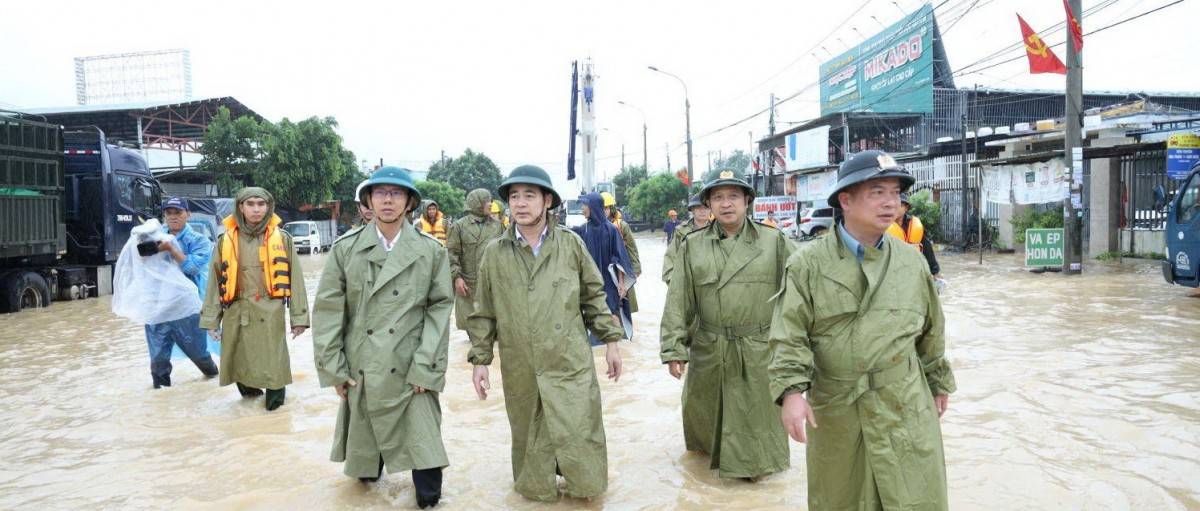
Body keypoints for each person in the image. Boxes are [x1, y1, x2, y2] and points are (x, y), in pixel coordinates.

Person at [769, 150, 956, 510]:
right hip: (839, 406)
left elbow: (931, 330)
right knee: (843, 498)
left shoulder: (911, 261)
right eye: (877, 192)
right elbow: (789, 334)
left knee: (915, 497)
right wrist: (792, 392)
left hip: (905, 402)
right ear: (846, 199)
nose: (891, 203)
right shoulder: (807, 264)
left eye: (896, 193)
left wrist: (938, 382)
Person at [467, 165, 624, 502]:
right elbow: (483, 312)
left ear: (547, 200)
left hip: (569, 361)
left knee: (579, 430)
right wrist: (480, 362)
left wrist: (611, 341)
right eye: (514, 196)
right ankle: (538, 491)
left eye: (529, 195)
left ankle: (585, 490)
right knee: (529, 436)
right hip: (521, 363)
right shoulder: (495, 254)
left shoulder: (570, 245)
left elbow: (594, 297)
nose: (520, 203)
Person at [312, 167, 451, 508]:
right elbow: (329, 312)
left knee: (428, 478)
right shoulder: (346, 249)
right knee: (366, 481)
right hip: (363, 365)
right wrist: (334, 368)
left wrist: (426, 365)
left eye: (396, 193)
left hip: (411, 364)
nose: (388, 200)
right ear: (368, 201)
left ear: (409, 203)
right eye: (380, 193)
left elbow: (439, 310)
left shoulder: (431, 251)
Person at [659, 167, 794, 480]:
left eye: (733, 196)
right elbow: (679, 299)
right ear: (709, 205)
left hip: (758, 349)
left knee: (757, 436)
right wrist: (673, 348)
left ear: (747, 201)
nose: (726, 203)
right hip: (710, 348)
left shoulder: (773, 241)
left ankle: (754, 481)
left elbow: (802, 290)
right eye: (717, 197)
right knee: (706, 433)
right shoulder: (692, 245)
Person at [200, 187, 309, 411]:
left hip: (270, 313)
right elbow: (214, 282)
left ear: (269, 207)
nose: (257, 209)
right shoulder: (225, 241)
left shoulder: (282, 239)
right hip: (236, 312)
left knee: (274, 366)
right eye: (251, 204)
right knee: (239, 363)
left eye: (261, 204)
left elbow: (296, 279)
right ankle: (250, 411)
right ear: (241, 207)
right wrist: (212, 320)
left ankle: (275, 412)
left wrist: (299, 318)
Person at [144, 197, 219, 388]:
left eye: (178, 212)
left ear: (188, 214)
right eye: (169, 213)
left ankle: (214, 381)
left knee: (199, 354)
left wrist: (170, 248)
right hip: (159, 307)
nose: (173, 217)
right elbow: (142, 261)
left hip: (189, 309)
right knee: (158, 358)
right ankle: (161, 400)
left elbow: (192, 268)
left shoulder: (200, 241)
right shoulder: (154, 236)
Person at [573, 192, 635, 345]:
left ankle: (614, 345)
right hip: (589, 282)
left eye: (585, 205)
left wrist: (622, 284)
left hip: (609, 283)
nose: (582, 209)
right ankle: (598, 347)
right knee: (592, 312)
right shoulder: (583, 229)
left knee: (611, 312)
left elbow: (620, 257)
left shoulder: (611, 230)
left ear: (593, 207)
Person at [446, 189, 505, 342]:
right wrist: (456, 277)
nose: (490, 204)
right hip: (468, 283)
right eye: (487, 200)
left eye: (491, 200)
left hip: (492, 282)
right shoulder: (459, 227)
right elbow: (452, 254)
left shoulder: (498, 227)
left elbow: (505, 254)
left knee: (496, 326)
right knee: (471, 326)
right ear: (477, 203)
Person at [602, 192, 641, 313]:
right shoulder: (592, 227)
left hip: (622, 272)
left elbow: (632, 249)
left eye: (606, 208)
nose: (603, 211)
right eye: (601, 208)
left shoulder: (622, 226)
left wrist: (635, 271)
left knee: (623, 309)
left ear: (611, 208)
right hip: (603, 273)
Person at [887, 196, 942, 278]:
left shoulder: (914, 225)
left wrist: (935, 272)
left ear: (906, 208)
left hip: (914, 269)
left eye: (899, 205)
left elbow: (927, 248)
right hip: (893, 272)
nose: (895, 209)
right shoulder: (883, 225)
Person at [661, 195, 710, 285]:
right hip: (687, 283)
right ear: (693, 210)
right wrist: (674, 283)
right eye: (698, 207)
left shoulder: (718, 230)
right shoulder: (681, 231)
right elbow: (670, 258)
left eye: (706, 207)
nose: (702, 211)